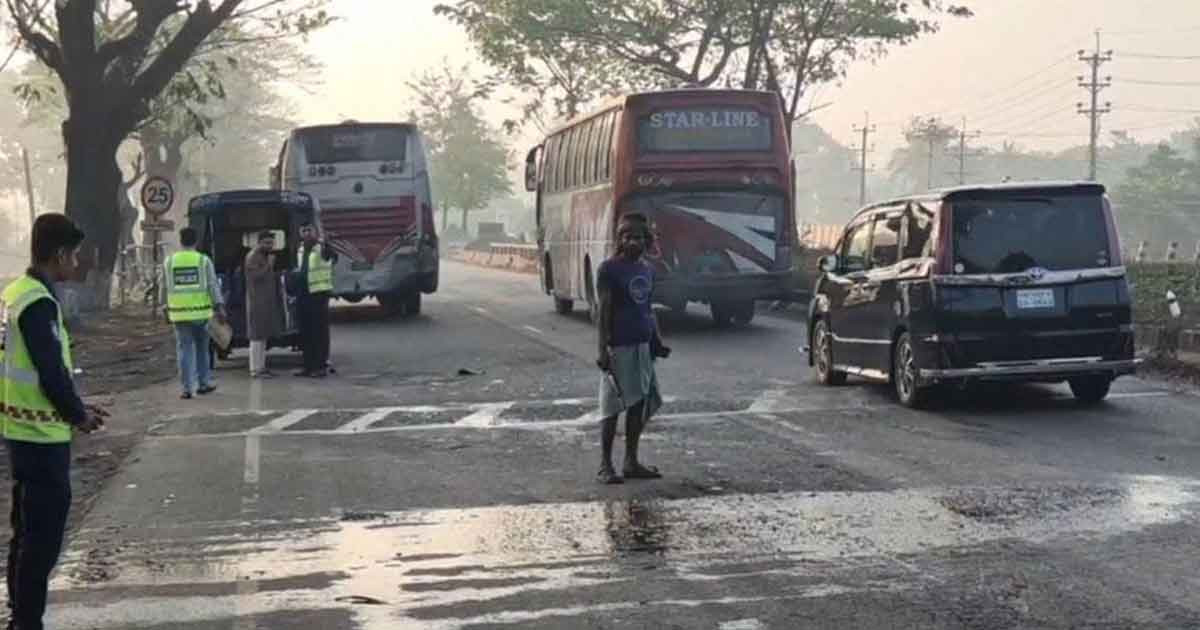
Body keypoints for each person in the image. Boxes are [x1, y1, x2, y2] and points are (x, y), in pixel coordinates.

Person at [1, 214, 108, 630]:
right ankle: (27, 622)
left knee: (25, 533)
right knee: (41, 541)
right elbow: (49, 371)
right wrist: (78, 415)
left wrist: (81, 406)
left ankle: (19, 617)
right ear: (60, 253)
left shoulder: (16, 293)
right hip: (41, 439)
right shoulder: (39, 303)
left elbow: (36, 367)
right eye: (75, 254)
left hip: (20, 429)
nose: (78, 263)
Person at [596, 214, 671, 485]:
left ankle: (631, 461)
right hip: (618, 346)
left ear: (646, 240)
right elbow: (604, 310)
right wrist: (602, 349)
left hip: (642, 347)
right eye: (626, 237)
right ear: (619, 239)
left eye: (637, 237)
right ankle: (606, 465)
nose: (632, 242)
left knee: (639, 406)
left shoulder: (647, 270)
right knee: (612, 408)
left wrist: (657, 341)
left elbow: (648, 310)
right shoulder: (609, 270)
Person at [162, 227, 225, 399]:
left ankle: (186, 388)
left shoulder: (170, 261)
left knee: (184, 351)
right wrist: (219, 306)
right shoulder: (203, 261)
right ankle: (203, 383)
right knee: (202, 349)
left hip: (179, 314)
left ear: (180, 241)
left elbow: (164, 287)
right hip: (201, 314)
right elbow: (212, 285)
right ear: (196, 241)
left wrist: (164, 307)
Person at [295, 220, 335, 378]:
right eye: (304, 231)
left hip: (318, 295)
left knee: (319, 333)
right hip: (304, 295)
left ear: (315, 232)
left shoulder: (322, 248)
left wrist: (327, 244)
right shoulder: (300, 248)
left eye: (309, 231)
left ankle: (320, 366)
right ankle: (308, 366)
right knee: (306, 333)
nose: (307, 234)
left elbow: (331, 256)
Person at [244, 231, 284, 379]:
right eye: (266, 243)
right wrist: (269, 265)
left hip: (265, 302)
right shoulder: (253, 256)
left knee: (262, 337)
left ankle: (261, 367)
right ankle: (255, 370)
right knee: (256, 337)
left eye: (271, 243)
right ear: (259, 242)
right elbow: (255, 276)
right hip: (256, 302)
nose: (269, 246)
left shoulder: (263, 256)